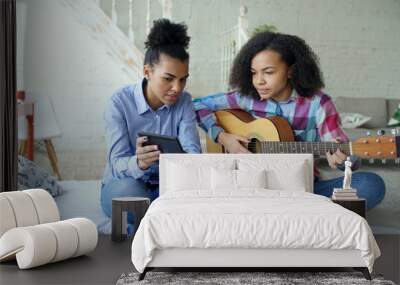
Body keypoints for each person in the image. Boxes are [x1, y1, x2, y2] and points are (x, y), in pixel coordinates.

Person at [193, 32, 385, 210]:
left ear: (291, 71)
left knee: (371, 185)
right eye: (253, 72)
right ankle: (302, 213)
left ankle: (286, 210)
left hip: (303, 188)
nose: (259, 81)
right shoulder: (246, 98)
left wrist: (343, 159)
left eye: (268, 72)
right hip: (252, 184)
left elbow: (340, 148)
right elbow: (196, 105)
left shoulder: (318, 104)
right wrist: (223, 137)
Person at [101, 19, 201, 221]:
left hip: (170, 186)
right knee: (128, 196)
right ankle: (160, 216)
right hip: (127, 183)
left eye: (183, 79)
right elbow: (116, 163)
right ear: (147, 72)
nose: (177, 88)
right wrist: (139, 162)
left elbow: (193, 154)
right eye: (168, 78)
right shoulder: (119, 102)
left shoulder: (184, 102)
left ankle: (160, 215)